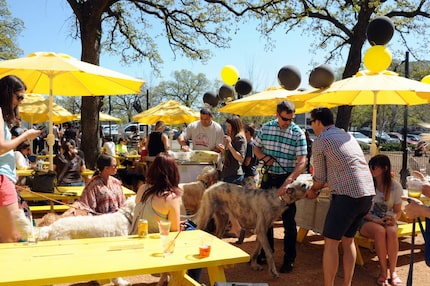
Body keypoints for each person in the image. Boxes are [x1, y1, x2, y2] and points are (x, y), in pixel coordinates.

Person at [305, 107, 375, 286]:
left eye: (311, 122)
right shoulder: (347, 135)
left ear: (318, 122)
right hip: (367, 194)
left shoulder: (321, 140)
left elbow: (319, 178)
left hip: (347, 196)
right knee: (348, 240)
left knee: (330, 243)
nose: (311, 126)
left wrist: (313, 190)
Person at [253, 100, 307, 273]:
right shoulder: (266, 128)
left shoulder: (297, 133)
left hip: (287, 179)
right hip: (269, 178)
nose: (288, 122)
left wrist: (288, 182)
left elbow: (302, 162)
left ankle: (289, 259)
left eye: (291, 119)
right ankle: (265, 253)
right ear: (277, 114)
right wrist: (264, 157)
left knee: (288, 222)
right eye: (285, 119)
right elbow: (255, 147)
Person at [0, 75, 41, 243]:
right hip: (2, 179)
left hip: (5, 178)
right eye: (19, 97)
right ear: (7, 93)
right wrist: (25, 135)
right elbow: (1, 147)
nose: (21, 101)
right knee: (12, 237)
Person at [359, 155, 403, 286]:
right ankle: (384, 272)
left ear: (384, 168)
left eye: (373, 166)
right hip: (367, 220)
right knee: (379, 231)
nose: (370, 169)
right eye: (370, 166)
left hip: (386, 220)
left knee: (391, 231)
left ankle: (393, 272)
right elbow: (362, 211)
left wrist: (393, 219)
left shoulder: (395, 186)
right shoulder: (366, 184)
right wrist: (375, 220)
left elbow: (397, 210)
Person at [218, 116, 246, 184]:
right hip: (228, 174)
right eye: (227, 126)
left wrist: (229, 145)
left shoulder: (239, 137)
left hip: (234, 176)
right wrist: (224, 150)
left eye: (229, 126)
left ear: (235, 126)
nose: (228, 129)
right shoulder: (232, 136)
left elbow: (240, 158)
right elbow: (230, 156)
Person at [242, 124, 259, 189]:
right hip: (251, 174)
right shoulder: (254, 143)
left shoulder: (250, 145)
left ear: (248, 132)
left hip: (250, 175)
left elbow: (247, 162)